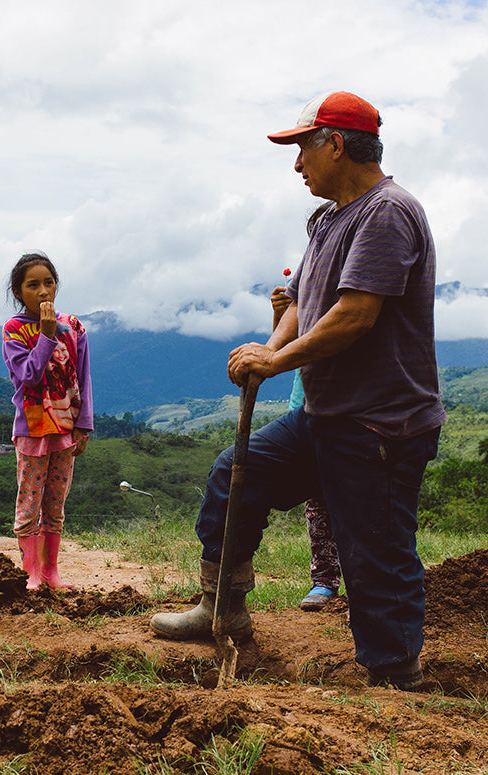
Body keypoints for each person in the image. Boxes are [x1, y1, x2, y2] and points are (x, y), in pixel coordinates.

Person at [150, 91, 446, 690]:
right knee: (237, 474)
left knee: (374, 550)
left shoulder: (387, 212)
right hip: (325, 414)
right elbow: (308, 307)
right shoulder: (328, 218)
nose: (296, 165)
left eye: (302, 149)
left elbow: (356, 314)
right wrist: (270, 349)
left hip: (380, 423)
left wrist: (279, 360)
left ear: (335, 144)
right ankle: (222, 608)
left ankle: (396, 675)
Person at [3, 252, 93, 591]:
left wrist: (84, 425)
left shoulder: (74, 327)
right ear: (17, 292)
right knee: (29, 505)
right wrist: (45, 335)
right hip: (33, 430)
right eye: (32, 285)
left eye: (49, 283)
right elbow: (28, 376)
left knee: (55, 504)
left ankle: (51, 572)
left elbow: (83, 379)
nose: (43, 291)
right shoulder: (14, 330)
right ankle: (32, 575)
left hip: (66, 430)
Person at [272, 203, 342, 612]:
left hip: (349, 407)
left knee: (353, 495)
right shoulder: (309, 287)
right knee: (317, 497)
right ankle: (325, 579)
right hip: (307, 403)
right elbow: (283, 347)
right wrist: (280, 317)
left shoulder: (348, 285)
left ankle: (363, 578)